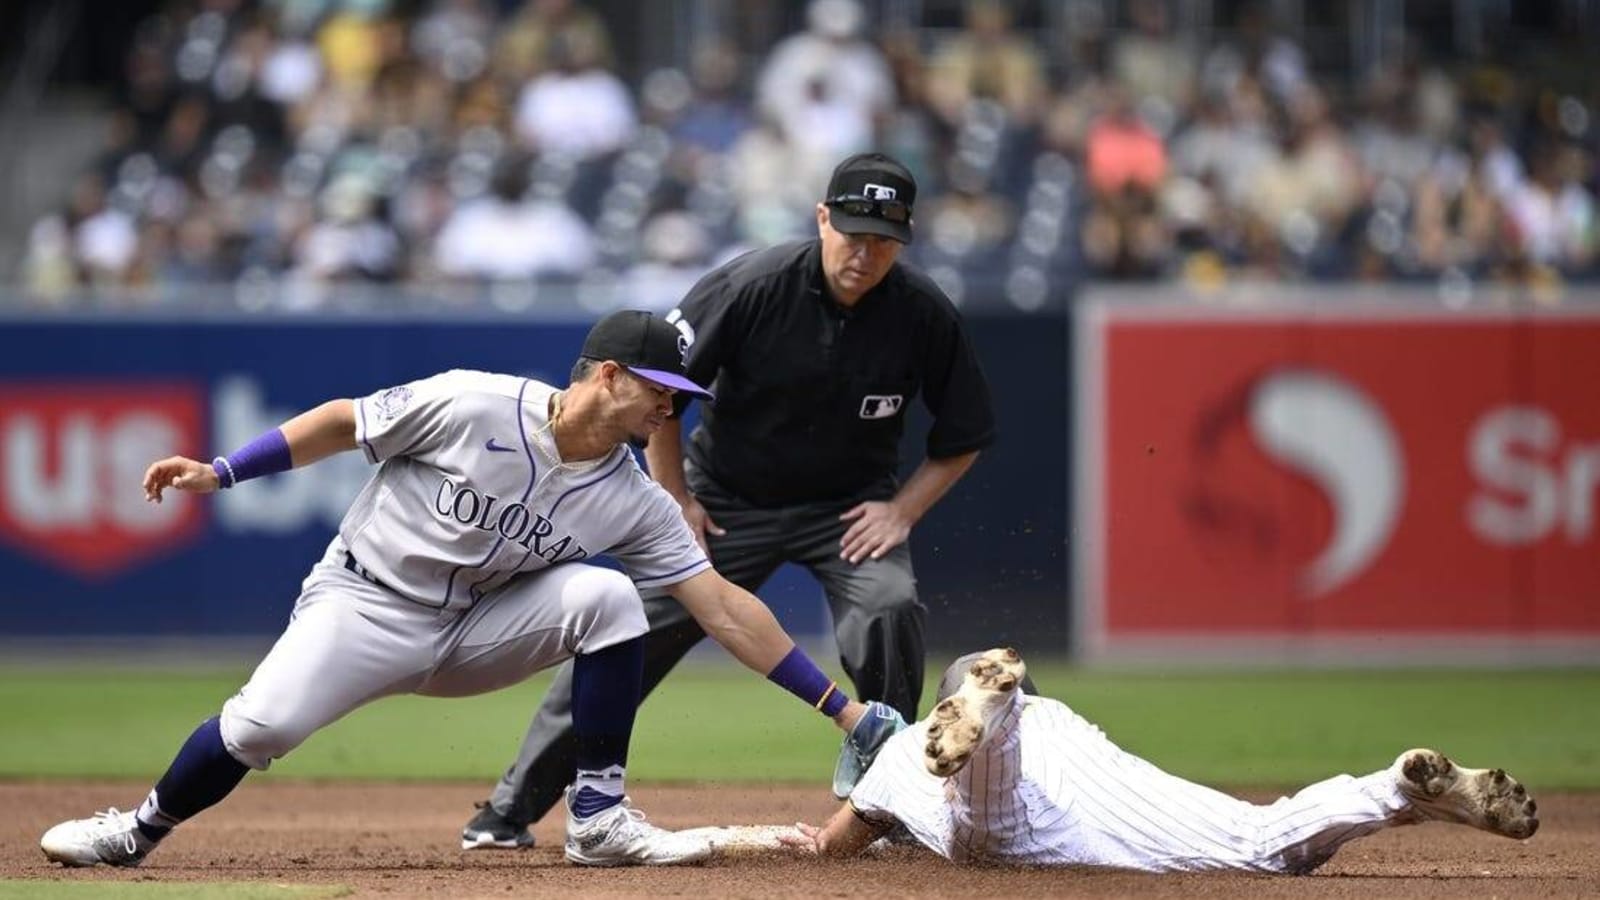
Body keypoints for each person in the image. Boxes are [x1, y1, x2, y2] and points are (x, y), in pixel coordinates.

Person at [38, 309, 880, 870]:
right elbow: (343, 420)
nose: (674, 410)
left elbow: (724, 607)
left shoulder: (632, 497)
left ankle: (597, 818)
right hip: (364, 604)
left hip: (480, 627)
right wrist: (223, 470)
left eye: (683, 397)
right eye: (664, 391)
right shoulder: (475, 403)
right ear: (611, 376)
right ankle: (137, 832)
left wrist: (848, 713)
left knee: (610, 600)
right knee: (261, 725)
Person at [462, 151, 996, 849]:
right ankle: (509, 809)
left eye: (884, 240)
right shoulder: (752, 285)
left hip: (847, 510)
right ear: (822, 218)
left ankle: (884, 805)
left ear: (904, 240)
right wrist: (673, 495)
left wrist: (903, 510)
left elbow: (967, 433)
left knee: (888, 610)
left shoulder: (924, 314)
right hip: (724, 502)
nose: (865, 254)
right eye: (853, 232)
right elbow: (663, 389)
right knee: (628, 629)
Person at [775, 648, 1540, 872]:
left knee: (982, 819)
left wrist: (814, 845)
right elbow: (1117, 776)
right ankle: (1392, 788)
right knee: (1259, 840)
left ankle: (991, 715)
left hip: (1001, 814)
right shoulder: (1064, 716)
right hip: (1089, 788)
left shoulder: (908, 748)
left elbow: (837, 843)